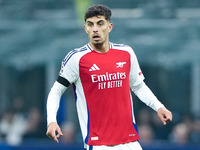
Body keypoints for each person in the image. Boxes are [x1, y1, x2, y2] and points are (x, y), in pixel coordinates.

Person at [46, 4, 172, 150]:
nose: (95, 29)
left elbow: (138, 86)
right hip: (99, 144)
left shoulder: (126, 53)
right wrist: (51, 121)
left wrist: (158, 107)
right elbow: (56, 91)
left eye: (100, 24)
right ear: (85, 28)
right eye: (90, 24)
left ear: (110, 27)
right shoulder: (76, 58)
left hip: (130, 142)